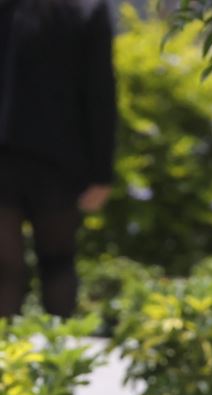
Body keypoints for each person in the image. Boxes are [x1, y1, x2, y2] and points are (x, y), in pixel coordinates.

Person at [0, 0, 117, 318]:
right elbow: (99, 92)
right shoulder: (87, 9)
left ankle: (17, 361)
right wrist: (101, 172)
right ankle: (57, 361)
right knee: (55, 263)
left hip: (28, 156)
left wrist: (102, 174)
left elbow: (99, 91)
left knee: (13, 268)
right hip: (58, 158)